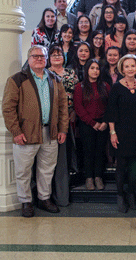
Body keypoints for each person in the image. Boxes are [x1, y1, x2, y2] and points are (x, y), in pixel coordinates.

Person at [2, 46, 68, 217]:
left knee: (47, 169)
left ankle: (44, 199)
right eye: (35, 56)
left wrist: (63, 129)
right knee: (23, 170)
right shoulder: (16, 79)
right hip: (26, 133)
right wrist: (16, 131)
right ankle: (26, 202)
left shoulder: (54, 79)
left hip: (50, 132)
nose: (39, 58)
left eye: (42, 56)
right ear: (29, 58)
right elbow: (8, 108)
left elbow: (62, 107)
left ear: (46, 59)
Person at [105, 54, 136, 213]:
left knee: (135, 166)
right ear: (122, 69)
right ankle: (120, 195)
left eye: (132, 66)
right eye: (127, 66)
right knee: (121, 166)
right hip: (121, 132)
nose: (130, 69)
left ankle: (131, 193)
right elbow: (111, 112)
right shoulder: (116, 87)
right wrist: (112, 132)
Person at [47, 45, 79, 207]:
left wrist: (73, 111)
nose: (57, 57)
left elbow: (77, 93)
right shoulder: (45, 74)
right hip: (50, 119)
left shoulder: (71, 73)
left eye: (59, 54)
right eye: (53, 55)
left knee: (66, 154)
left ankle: (65, 188)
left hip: (70, 116)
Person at [74, 59, 111, 191]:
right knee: (88, 151)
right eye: (92, 68)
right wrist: (92, 123)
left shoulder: (105, 86)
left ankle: (98, 177)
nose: (95, 71)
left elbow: (110, 106)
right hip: (87, 125)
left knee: (100, 152)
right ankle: (89, 177)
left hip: (103, 124)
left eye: (97, 68)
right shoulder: (80, 87)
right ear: (87, 70)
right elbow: (78, 107)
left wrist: (105, 122)